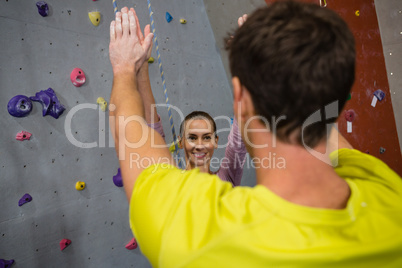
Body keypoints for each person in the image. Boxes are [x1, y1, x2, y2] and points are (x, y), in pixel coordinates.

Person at [109, 2, 402, 267]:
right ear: (336, 102)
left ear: (239, 99)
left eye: (206, 137)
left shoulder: (194, 234)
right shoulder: (386, 188)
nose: (200, 145)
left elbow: (131, 134)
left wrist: (125, 68)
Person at [135, 16, 247, 185]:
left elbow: (240, 133)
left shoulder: (226, 177)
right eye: (192, 137)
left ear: (216, 142)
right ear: (181, 142)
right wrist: (142, 67)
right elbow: (153, 133)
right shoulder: (170, 179)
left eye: (207, 137)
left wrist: (248, 60)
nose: (200, 145)